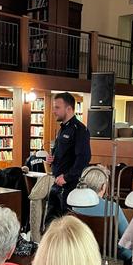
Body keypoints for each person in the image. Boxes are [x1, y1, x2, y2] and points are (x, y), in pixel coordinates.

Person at [44, 92, 91, 226]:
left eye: (57, 107)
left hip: (69, 186)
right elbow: (63, 154)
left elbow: (84, 158)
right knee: (50, 224)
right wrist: (51, 158)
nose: (54, 111)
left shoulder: (80, 130)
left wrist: (67, 177)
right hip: (57, 183)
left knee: (65, 226)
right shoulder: (62, 129)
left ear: (69, 109)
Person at [72, 164, 131, 262]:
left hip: (81, 253)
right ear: (103, 186)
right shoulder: (113, 208)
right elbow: (127, 237)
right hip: (109, 257)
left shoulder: (75, 203)